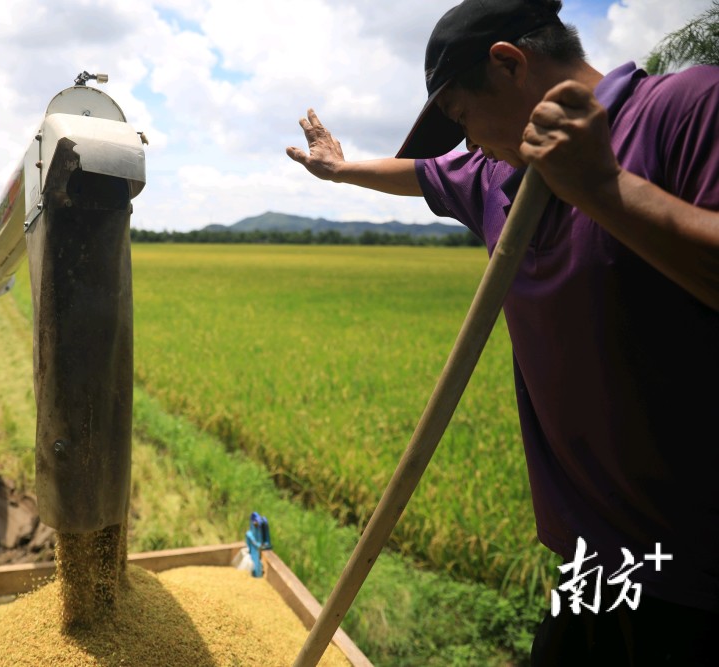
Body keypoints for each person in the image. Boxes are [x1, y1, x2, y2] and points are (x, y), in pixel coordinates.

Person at [287, 0, 718, 664]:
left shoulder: (682, 110)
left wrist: (601, 188)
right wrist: (340, 169)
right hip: (596, 559)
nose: (465, 144)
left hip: (696, 574)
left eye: (462, 118)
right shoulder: (500, 174)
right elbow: (425, 176)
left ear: (511, 64)